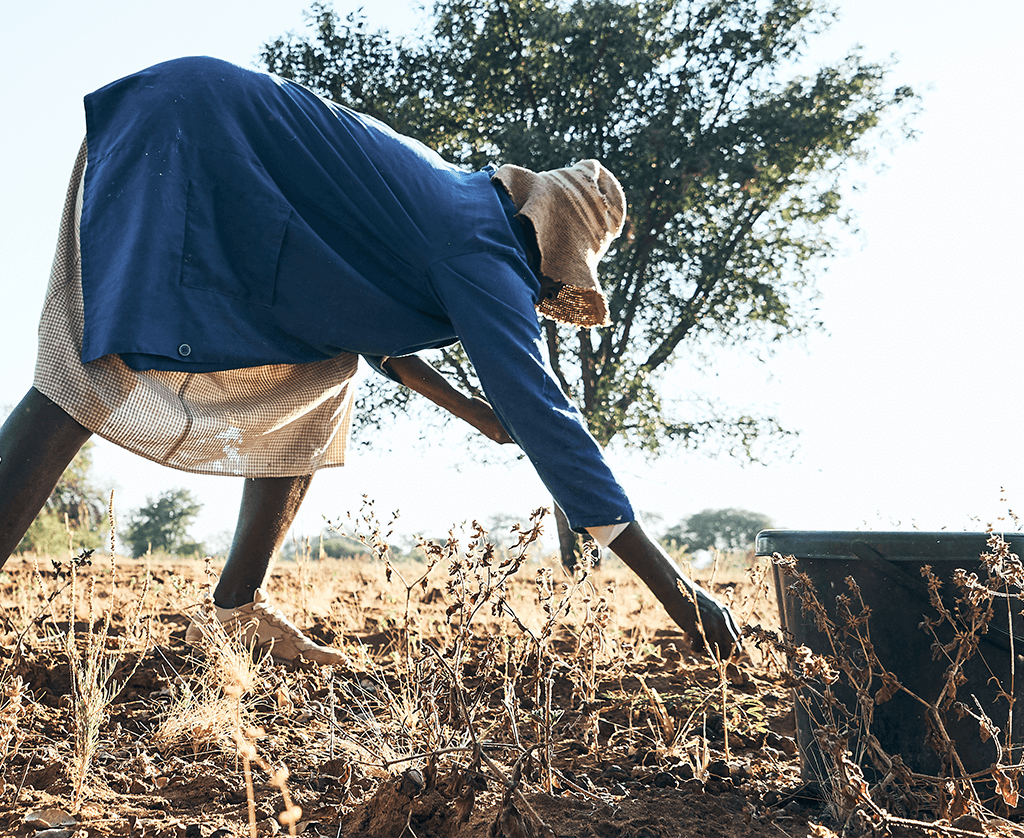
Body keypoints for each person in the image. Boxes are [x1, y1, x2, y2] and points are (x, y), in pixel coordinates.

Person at [0, 56, 741, 663]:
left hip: (214, 141)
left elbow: (371, 333)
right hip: (189, 131)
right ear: (552, 253)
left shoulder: (453, 211)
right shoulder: (486, 249)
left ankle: (237, 611)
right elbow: (548, 419)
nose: (543, 296)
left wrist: (472, 412)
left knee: (322, 380)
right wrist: (679, 594)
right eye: (554, 286)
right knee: (87, 369)